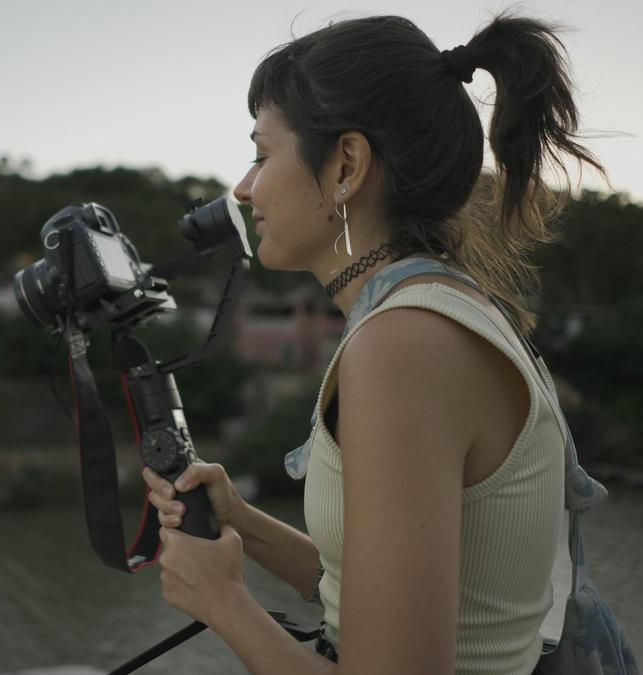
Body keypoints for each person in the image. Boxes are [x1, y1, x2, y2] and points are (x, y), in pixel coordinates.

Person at [142, 12, 606, 675]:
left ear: (346, 165)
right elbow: (379, 595)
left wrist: (222, 600)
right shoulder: (437, 310)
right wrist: (242, 519)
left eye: (262, 153)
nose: (244, 189)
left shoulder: (402, 346)